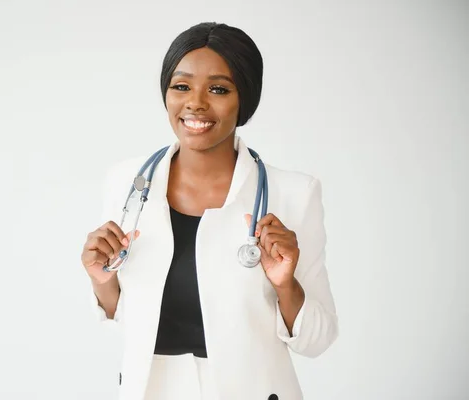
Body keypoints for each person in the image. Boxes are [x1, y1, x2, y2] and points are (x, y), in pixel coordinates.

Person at [80, 22, 338, 400]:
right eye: (181, 86)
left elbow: (318, 340)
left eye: (218, 89)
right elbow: (126, 319)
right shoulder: (126, 183)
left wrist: (285, 284)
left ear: (244, 99)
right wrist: (101, 279)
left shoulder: (294, 194)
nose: (195, 102)